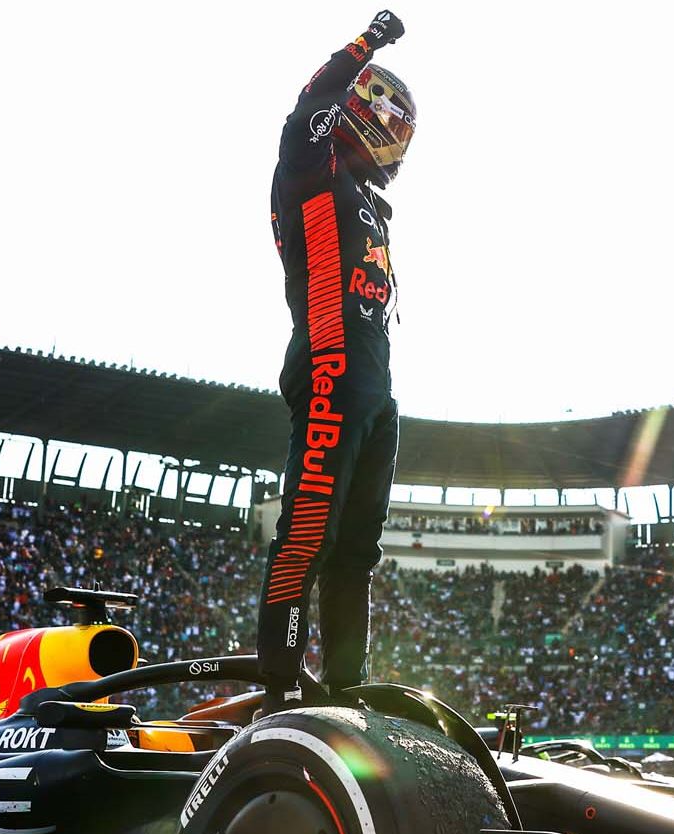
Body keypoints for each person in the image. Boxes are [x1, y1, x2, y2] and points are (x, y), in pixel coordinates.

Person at [255, 11, 416, 714]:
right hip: (329, 362)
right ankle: (282, 682)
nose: (397, 140)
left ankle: (348, 686)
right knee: (309, 534)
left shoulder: (370, 204)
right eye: (391, 122)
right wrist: (366, 42)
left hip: (375, 384)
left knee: (358, 551)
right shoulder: (309, 168)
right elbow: (309, 106)